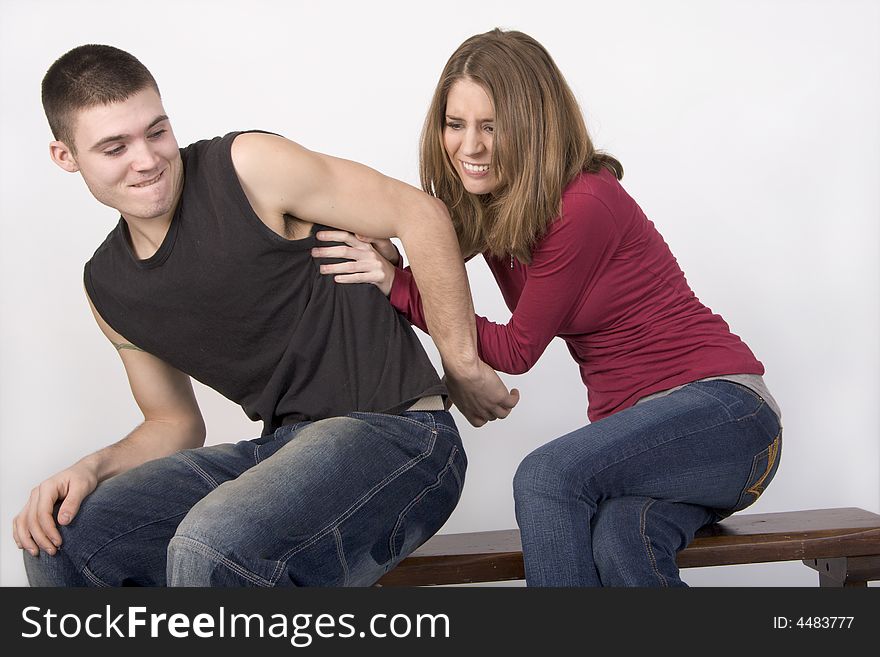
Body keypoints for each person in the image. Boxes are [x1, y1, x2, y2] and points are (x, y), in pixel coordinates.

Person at [12, 44, 519, 587]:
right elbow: (174, 423)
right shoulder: (109, 288)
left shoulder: (246, 167)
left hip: (399, 434)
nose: (147, 159)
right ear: (65, 156)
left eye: (156, 132)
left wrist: (461, 364)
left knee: (215, 543)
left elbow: (419, 213)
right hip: (281, 450)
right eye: (115, 147)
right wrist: (92, 467)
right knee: (64, 543)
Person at [312, 28, 783, 587]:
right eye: (455, 124)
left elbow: (515, 349)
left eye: (491, 126)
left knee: (545, 478)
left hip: (725, 416)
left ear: (533, 124)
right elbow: (426, 246)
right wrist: (387, 247)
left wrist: (395, 283)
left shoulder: (583, 202)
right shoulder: (495, 208)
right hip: (650, 441)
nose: (471, 146)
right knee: (622, 542)